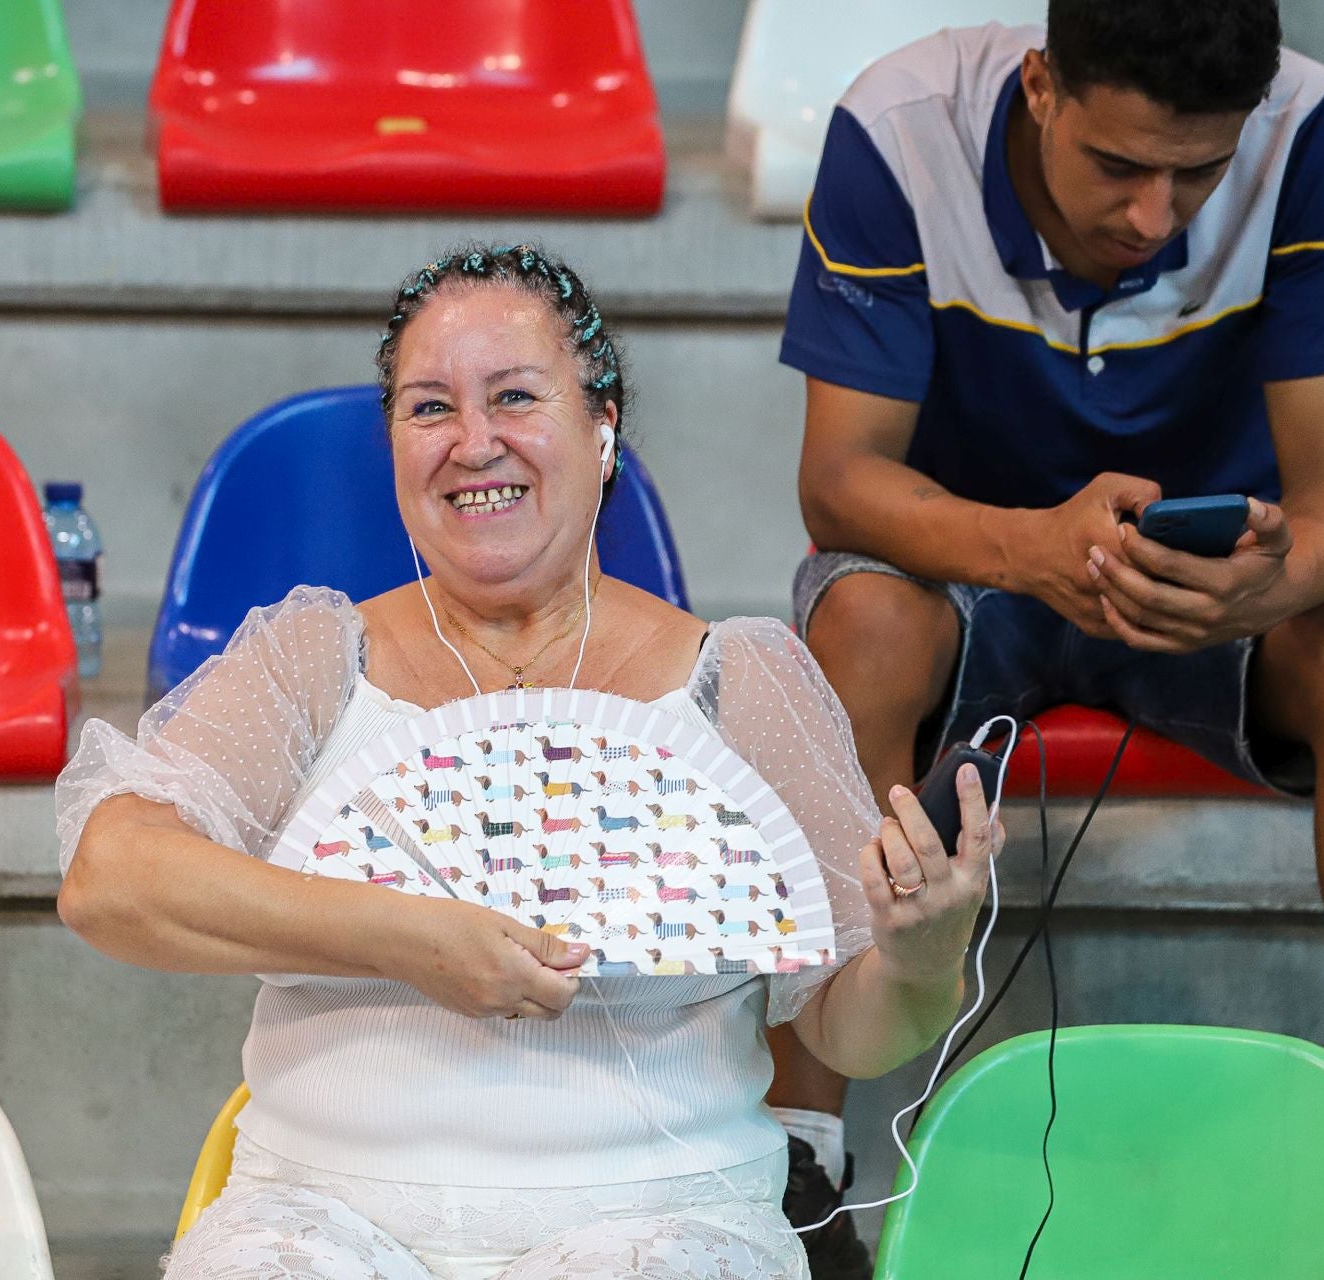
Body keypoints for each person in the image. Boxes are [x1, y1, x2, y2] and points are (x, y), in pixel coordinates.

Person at [55, 244, 1003, 1280]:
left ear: (603, 430)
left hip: (666, 1224)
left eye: (514, 396)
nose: (473, 442)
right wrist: (402, 934)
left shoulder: (742, 677)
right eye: (429, 409)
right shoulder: (313, 655)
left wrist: (920, 953)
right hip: (318, 1219)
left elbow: (857, 1027)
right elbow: (110, 878)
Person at [775, 1, 1324, 1274]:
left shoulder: (1313, 126)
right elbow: (839, 480)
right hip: (963, 566)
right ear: (1041, 85)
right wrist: (1027, 546)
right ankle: (798, 1154)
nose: (1156, 215)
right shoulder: (898, 128)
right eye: (1120, 166)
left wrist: (1272, 584)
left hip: (1202, 588)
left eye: (1197, 174)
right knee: (858, 623)